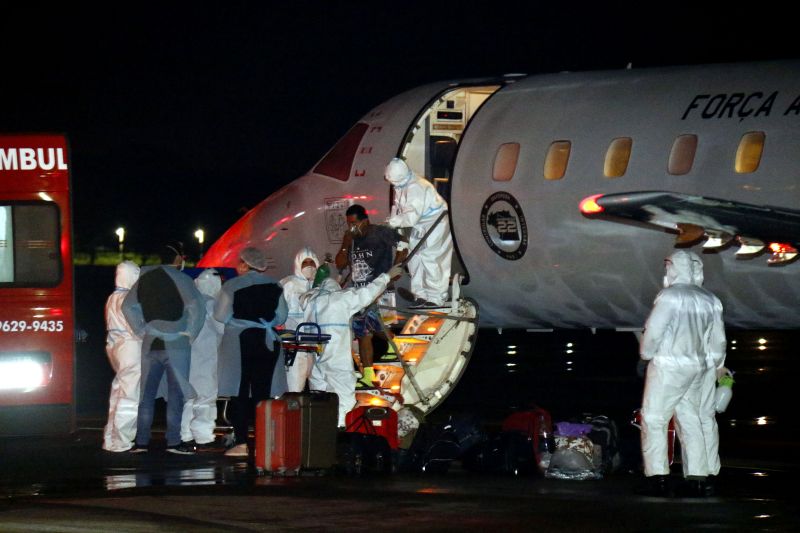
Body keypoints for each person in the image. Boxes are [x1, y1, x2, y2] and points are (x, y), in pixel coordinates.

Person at [638, 250, 727, 497]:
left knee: (654, 418)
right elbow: (718, 341)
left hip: (669, 367)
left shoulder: (670, 296)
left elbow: (654, 331)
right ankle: (697, 477)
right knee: (690, 419)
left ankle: (658, 477)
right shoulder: (710, 299)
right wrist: (717, 365)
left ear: (673, 268)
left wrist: (645, 353)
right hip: (698, 368)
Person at [122, 243, 205, 454]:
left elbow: (127, 306)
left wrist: (141, 329)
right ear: (178, 259)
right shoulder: (183, 280)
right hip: (177, 345)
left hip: (150, 343)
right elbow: (198, 308)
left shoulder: (145, 278)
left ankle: (141, 442)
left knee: (146, 396)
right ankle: (173, 442)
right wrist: (190, 333)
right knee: (175, 396)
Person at [300, 263, 403, 426]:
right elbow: (366, 293)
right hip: (336, 362)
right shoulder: (340, 299)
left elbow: (307, 294)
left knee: (319, 401)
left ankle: (318, 434)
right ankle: (340, 436)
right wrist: (387, 277)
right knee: (343, 403)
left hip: (315, 362)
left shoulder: (309, 301)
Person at [214, 247, 288, 457]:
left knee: (239, 392)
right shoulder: (275, 285)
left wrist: (238, 322)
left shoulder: (232, 285)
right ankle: (264, 442)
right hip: (267, 342)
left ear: (245, 264)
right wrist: (267, 322)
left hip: (241, 341)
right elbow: (282, 316)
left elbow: (220, 315)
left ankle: (241, 442)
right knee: (262, 393)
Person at [334, 204, 407, 387]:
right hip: (359, 293)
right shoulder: (351, 239)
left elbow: (403, 243)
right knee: (364, 333)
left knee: (372, 328)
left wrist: (394, 269)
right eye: (348, 223)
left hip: (379, 288)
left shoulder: (379, 232)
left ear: (365, 221)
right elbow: (340, 264)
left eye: (354, 223)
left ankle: (393, 344)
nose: (351, 227)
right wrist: (345, 243)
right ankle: (369, 373)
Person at [384, 157, 453, 308]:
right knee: (415, 257)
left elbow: (411, 216)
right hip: (420, 224)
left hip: (435, 222)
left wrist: (394, 222)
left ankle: (436, 297)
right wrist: (394, 218)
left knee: (431, 259)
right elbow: (398, 206)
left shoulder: (417, 187)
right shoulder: (401, 184)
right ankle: (420, 295)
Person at [181, 268, 225, 450]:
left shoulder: (190, 303)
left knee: (189, 398)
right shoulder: (213, 305)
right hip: (207, 357)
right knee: (206, 398)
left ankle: (184, 433)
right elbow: (221, 329)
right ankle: (204, 436)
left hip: (188, 356)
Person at [102, 260, 142, 452]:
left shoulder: (112, 297)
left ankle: (111, 438)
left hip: (115, 346)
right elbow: (136, 328)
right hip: (130, 347)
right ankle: (122, 441)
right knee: (129, 395)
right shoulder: (128, 299)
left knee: (118, 393)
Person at [280, 246, 320, 392]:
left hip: (317, 347)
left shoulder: (321, 285)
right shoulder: (288, 284)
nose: (309, 266)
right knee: (294, 388)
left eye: (312, 262)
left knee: (319, 388)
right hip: (295, 348)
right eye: (305, 263)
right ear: (298, 264)